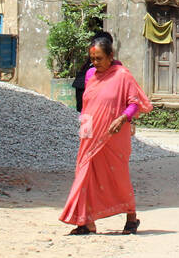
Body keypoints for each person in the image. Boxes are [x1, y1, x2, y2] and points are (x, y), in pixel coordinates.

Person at [60, 33, 151, 235]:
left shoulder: (122, 75)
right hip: (90, 133)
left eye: (99, 58)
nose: (95, 62)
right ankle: (86, 222)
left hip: (114, 135)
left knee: (117, 177)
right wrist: (84, 129)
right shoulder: (90, 74)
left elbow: (135, 103)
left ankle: (131, 218)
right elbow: (87, 103)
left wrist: (122, 119)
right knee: (85, 174)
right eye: (92, 58)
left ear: (111, 56)